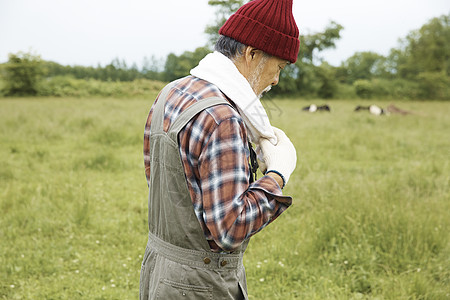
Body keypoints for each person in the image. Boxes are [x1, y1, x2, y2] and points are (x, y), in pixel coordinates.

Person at [139, 0, 299, 299]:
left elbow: (157, 179)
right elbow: (229, 229)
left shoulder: (172, 91)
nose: (276, 79)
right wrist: (277, 174)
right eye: (278, 67)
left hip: (158, 271)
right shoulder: (223, 116)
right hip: (200, 283)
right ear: (252, 54)